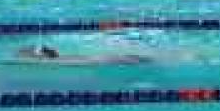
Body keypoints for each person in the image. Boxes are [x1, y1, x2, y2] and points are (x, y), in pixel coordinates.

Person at [14, 44, 151, 65]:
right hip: (93, 59)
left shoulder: (60, 61)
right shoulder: (61, 59)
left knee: (120, 60)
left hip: (94, 60)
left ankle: (140, 58)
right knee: (122, 59)